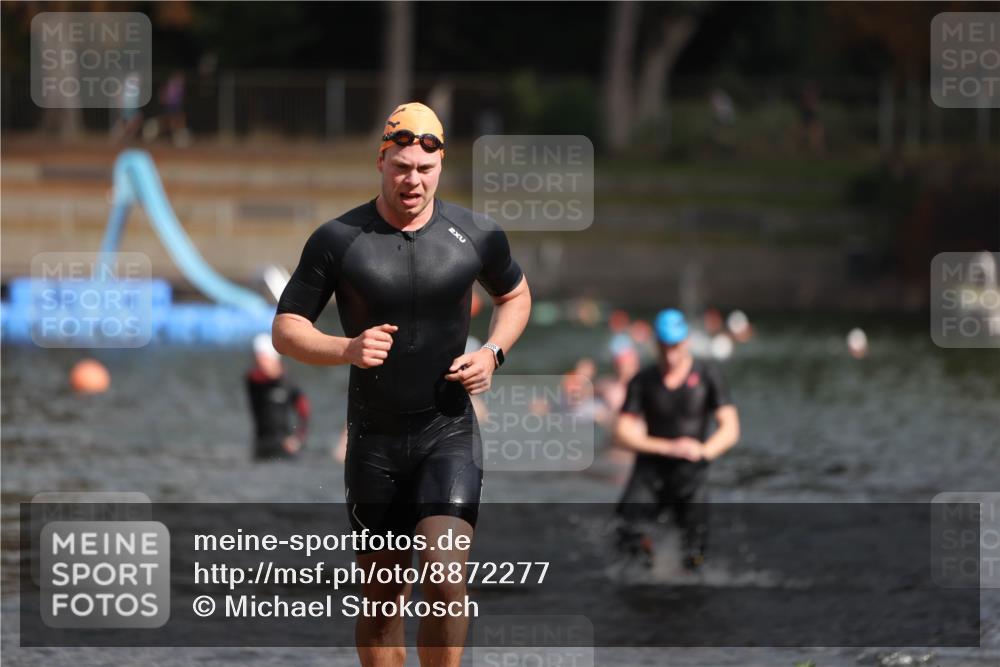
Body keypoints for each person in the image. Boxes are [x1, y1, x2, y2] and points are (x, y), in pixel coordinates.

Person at [272, 102, 531, 667]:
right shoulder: (338, 239)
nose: (412, 180)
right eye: (401, 167)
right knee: (384, 601)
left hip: (448, 432)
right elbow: (286, 330)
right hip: (376, 442)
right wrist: (346, 348)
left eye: (424, 169)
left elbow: (513, 295)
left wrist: (493, 351)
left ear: (441, 168)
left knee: (443, 580)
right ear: (381, 162)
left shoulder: (476, 233)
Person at [613, 309, 740, 570]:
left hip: (691, 473)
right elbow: (622, 431)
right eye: (664, 347)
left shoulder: (708, 376)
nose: (670, 355)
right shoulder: (643, 380)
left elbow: (730, 428)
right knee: (627, 531)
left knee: (695, 555)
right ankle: (644, 576)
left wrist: (703, 451)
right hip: (650, 471)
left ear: (687, 341)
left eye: (675, 346)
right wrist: (667, 447)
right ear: (655, 344)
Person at [245, 333, 310, 461]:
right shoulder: (253, 382)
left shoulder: (288, 383)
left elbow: (304, 409)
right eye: (257, 359)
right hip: (261, 444)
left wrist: (298, 438)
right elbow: (260, 376)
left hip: (284, 446)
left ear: (274, 358)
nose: (261, 363)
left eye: (264, 358)